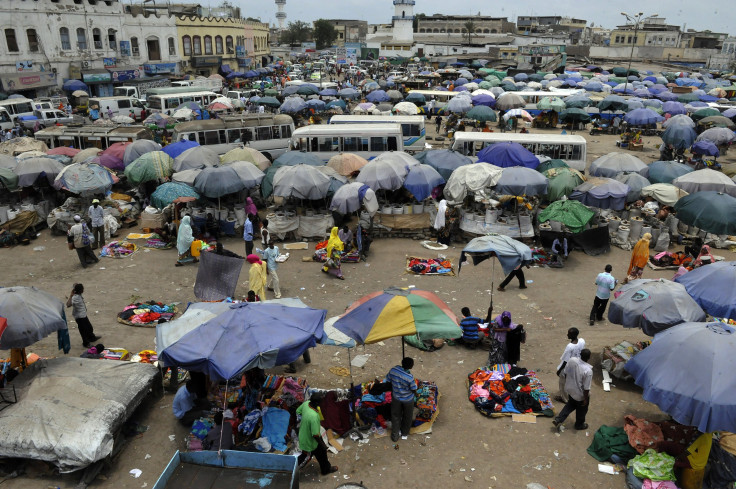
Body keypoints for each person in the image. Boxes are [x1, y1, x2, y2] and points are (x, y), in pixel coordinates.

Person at [296, 392, 339, 475]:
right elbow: (315, 435)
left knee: (306, 455)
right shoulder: (314, 416)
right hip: (311, 440)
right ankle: (326, 470)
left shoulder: (306, 404)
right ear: (317, 403)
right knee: (320, 454)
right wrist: (323, 445)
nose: (323, 402)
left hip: (303, 434)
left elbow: (298, 411)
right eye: (322, 401)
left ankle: (290, 467)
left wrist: (306, 420)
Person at [553, 349, 592, 432]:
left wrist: (570, 384)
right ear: (589, 357)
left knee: (570, 405)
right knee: (581, 410)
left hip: (570, 389)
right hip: (580, 395)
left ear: (580, 354)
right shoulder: (588, 371)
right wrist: (585, 399)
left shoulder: (572, 360)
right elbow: (586, 387)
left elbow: (567, 372)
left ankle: (559, 419)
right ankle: (579, 425)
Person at [387, 357, 417, 442]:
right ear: (410, 366)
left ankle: (395, 435)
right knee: (407, 416)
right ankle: (404, 433)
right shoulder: (409, 377)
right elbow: (413, 389)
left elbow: (388, 380)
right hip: (408, 400)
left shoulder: (393, 370)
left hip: (396, 397)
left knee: (395, 416)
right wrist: (416, 393)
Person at [65, 283, 101, 347]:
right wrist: (71, 296)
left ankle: (92, 337)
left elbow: (75, 285)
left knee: (89, 327)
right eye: (82, 289)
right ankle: (86, 343)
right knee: (83, 330)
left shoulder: (78, 295)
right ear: (80, 290)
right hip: (80, 317)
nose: (83, 290)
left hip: (83, 315)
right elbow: (68, 305)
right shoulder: (75, 298)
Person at [556, 328, 586, 403]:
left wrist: (559, 370)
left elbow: (565, 361)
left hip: (568, 368)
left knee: (563, 383)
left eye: (569, 333)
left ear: (573, 335)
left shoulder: (570, 346)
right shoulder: (582, 341)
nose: (567, 334)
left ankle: (565, 399)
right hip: (577, 365)